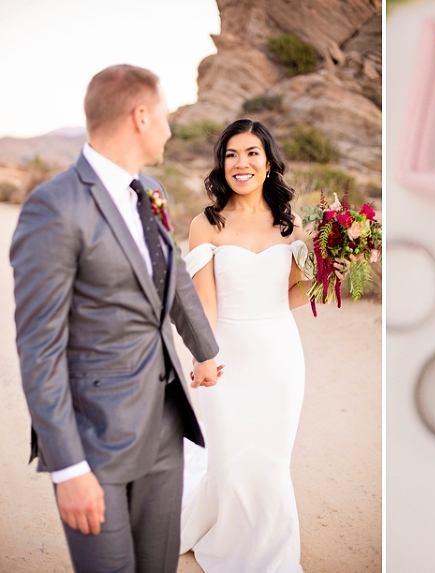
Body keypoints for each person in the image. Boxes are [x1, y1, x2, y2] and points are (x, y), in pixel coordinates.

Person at [10, 64, 222, 573]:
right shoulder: (53, 207)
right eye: (165, 116)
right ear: (140, 117)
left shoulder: (150, 190)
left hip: (165, 429)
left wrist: (206, 351)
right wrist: (69, 469)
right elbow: (39, 349)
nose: (169, 129)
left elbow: (173, 281)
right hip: (96, 439)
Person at [179, 119, 314, 572]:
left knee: (271, 460)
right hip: (227, 354)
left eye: (252, 153)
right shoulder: (206, 224)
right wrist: (204, 355)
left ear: (269, 162)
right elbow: (205, 302)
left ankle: (271, 553)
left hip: (279, 355)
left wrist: (329, 273)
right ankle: (224, 537)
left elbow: (294, 293)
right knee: (231, 458)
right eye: (231, 154)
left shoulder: (292, 225)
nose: (242, 163)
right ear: (222, 164)